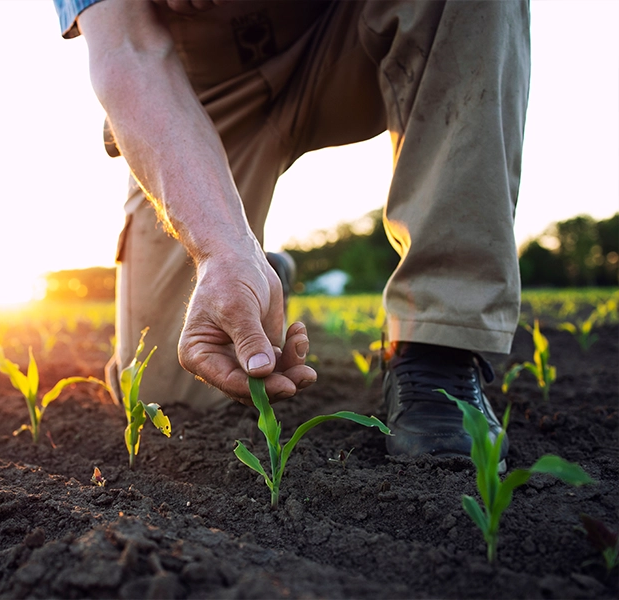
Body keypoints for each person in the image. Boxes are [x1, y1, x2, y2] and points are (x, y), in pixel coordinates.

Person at [52, 0, 529, 462]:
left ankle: (437, 347)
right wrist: (221, 251)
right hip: (202, 94)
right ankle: (257, 272)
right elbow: (127, 53)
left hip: (347, 36)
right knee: (170, 388)